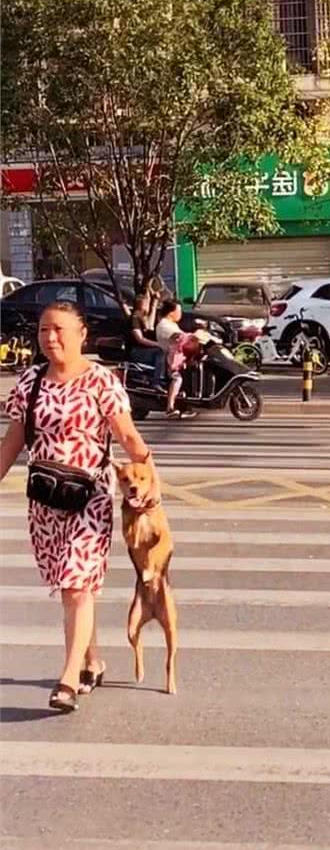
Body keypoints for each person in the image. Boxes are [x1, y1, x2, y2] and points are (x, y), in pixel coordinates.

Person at [0, 301, 161, 713]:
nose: (50, 338)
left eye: (58, 329)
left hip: (88, 500)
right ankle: (91, 661)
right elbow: (13, 440)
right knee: (73, 590)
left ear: (81, 333)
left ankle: (68, 680)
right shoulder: (31, 381)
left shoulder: (101, 382)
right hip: (45, 502)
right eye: (43, 331)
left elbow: (127, 436)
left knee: (76, 584)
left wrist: (151, 482)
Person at [155, 299, 195, 419]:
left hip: (179, 356)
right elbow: (179, 336)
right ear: (171, 313)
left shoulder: (171, 324)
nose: (180, 314)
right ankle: (170, 407)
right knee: (177, 378)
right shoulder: (164, 325)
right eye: (179, 311)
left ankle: (187, 403)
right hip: (170, 358)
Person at [127, 293, 164, 383]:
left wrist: (154, 303)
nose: (148, 304)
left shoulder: (143, 317)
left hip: (145, 349)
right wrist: (159, 344)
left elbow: (150, 327)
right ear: (141, 304)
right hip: (136, 351)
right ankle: (157, 381)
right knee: (160, 352)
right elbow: (140, 339)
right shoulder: (134, 318)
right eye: (147, 302)